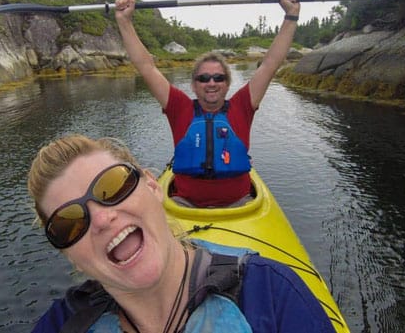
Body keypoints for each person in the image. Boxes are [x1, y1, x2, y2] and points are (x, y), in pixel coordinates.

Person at [27, 134, 336, 333]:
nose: (103, 219)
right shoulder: (60, 325)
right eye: (70, 223)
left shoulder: (270, 293)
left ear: (151, 185)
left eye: (113, 186)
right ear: (70, 255)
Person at [114, 0, 301, 207]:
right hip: (184, 204)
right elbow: (146, 66)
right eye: (204, 78)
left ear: (227, 83)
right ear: (194, 85)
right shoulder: (178, 107)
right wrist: (124, 21)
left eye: (218, 78)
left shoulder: (243, 105)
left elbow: (270, 64)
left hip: (241, 204)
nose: (211, 83)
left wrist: (291, 16)